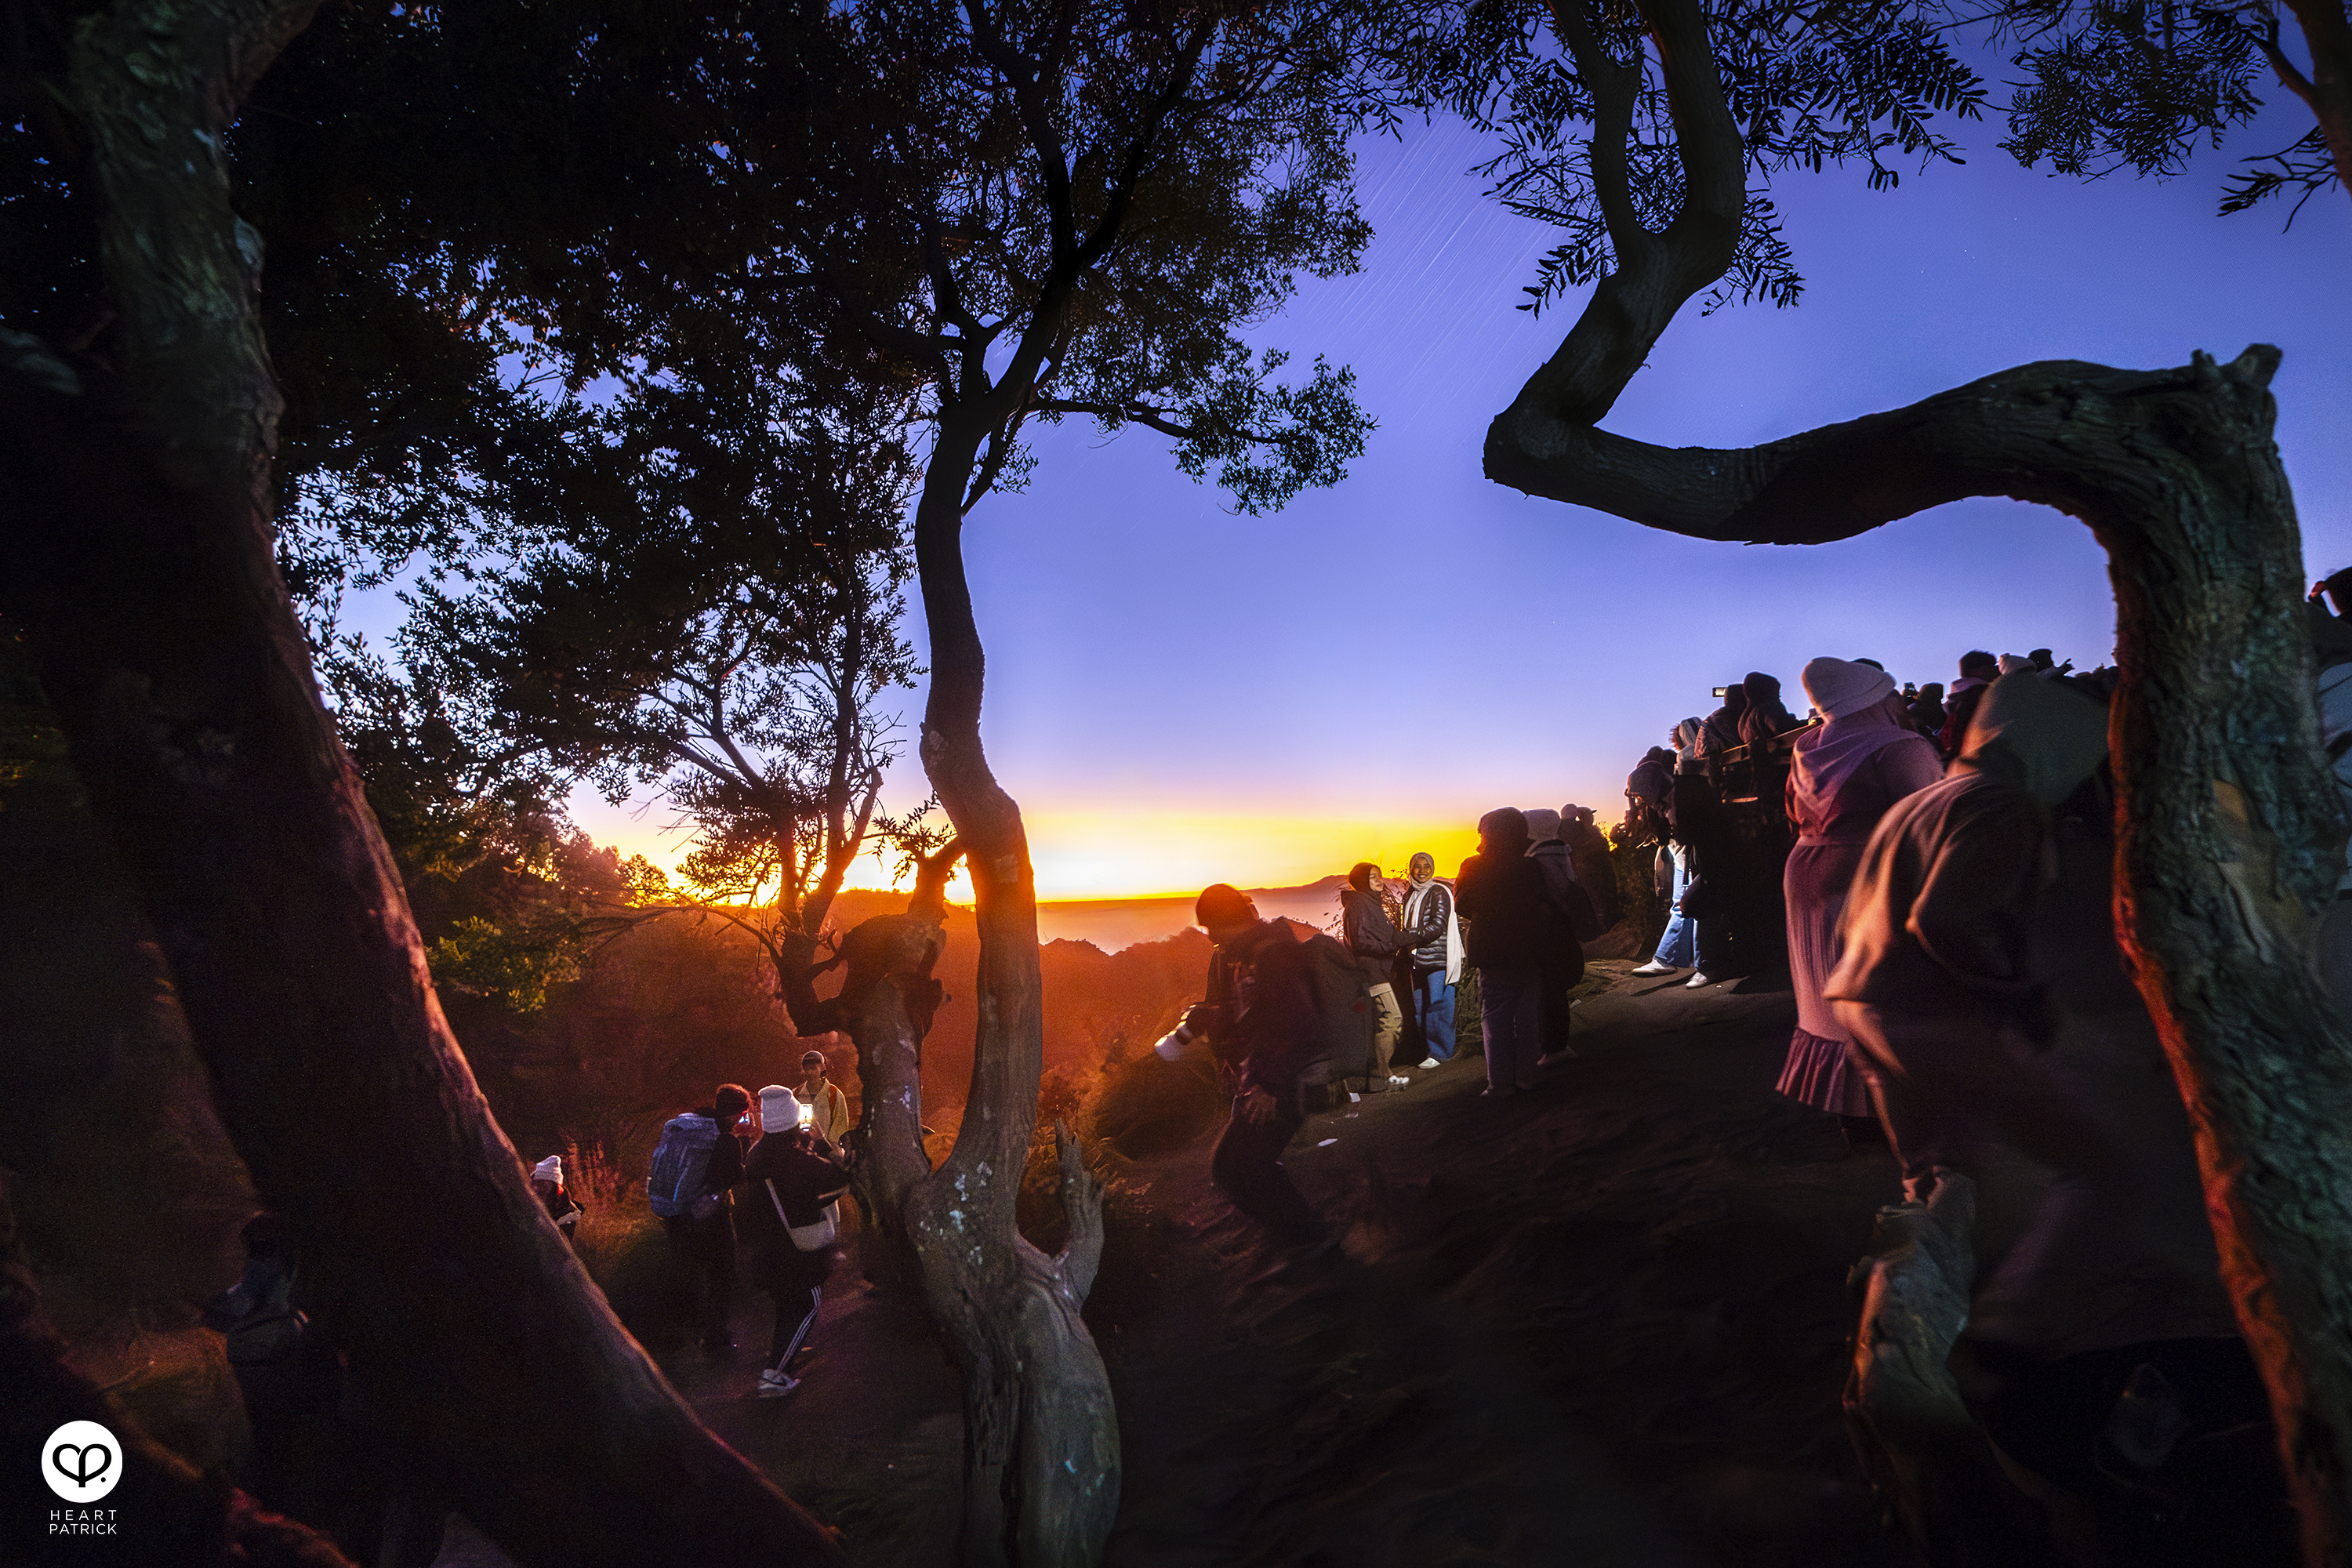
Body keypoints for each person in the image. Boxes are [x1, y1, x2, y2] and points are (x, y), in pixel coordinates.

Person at [1773, 658, 1945, 1141]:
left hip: (1806, 869)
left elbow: (1791, 807)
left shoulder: (1807, 745)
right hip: (1867, 874)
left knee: (1826, 989)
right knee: (1877, 988)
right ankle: (1892, 1107)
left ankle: (1848, 1107)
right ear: (1876, 698)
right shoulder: (1899, 746)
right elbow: (1930, 816)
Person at [1161, 885, 1327, 1241]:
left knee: (1239, 1168)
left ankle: (1312, 1240)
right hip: (1263, 1079)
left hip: (1284, 1083)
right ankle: (1300, 1237)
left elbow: (1304, 1027)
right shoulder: (1243, 958)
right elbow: (1254, 1017)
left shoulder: (1273, 957)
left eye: (1212, 927)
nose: (1209, 937)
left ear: (1229, 921)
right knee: (1235, 1167)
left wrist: (1271, 1087)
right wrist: (1208, 1023)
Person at [742, 1085, 851, 1398]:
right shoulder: (797, 1160)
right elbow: (840, 1179)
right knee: (806, 1305)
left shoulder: (757, 1154)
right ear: (792, 1120)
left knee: (787, 1306)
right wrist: (821, 1143)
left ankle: (787, 1354)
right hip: (797, 1252)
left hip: (769, 1246)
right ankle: (774, 1376)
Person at [1454, 808, 1553, 1099]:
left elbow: (1462, 904)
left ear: (1490, 835)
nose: (1479, 841)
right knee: (1527, 1014)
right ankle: (1526, 1076)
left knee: (1496, 1016)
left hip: (1493, 949)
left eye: (1481, 834)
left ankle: (1499, 1084)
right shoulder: (1531, 866)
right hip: (1530, 948)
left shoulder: (1473, 866)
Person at [657, 1083, 750, 1355]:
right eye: (743, 1114)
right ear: (736, 1114)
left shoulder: (687, 1128)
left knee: (686, 1274)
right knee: (721, 1275)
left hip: (677, 1217)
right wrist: (744, 1142)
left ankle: (675, 1340)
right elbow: (735, 1176)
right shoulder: (726, 1140)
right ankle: (715, 1339)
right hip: (711, 1219)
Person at [1520, 809, 1588, 1068]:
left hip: (1548, 931)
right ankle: (1557, 1044)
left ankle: (1553, 1048)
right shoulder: (1562, 851)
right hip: (1563, 929)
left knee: (1548, 990)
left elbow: (1549, 893)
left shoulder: (1538, 858)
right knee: (1554, 989)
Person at [1340, 862, 1413, 1091]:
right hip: (1372, 971)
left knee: (1385, 1019)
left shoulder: (1367, 902)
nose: (1380, 880)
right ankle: (1384, 1073)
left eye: (1379, 876)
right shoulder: (1361, 903)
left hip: (1375, 970)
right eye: (1373, 877)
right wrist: (1389, 947)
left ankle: (1381, 1071)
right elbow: (1360, 942)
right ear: (1363, 881)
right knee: (1392, 1018)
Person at [1399, 852, 1461, 1065]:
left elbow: (1438, 925)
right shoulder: (1410, 894)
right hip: (1416, 958)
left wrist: (1408, 936)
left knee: (1438, 1005)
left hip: (1437, 957)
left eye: (1427, 866)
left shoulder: (1438, 891)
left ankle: (1440, 1053)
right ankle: (1427, 1051)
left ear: (1433, 869)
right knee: (1420, 1008)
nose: (1422, 870)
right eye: (1418, 866)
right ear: (1411, 869)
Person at [1938, 650, 1999, 757]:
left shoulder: (1955, 695)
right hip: (1981, 752)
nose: (1995, 670)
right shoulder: (1984, 694)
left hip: (1959, 753)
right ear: (1974, 671)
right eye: (1990, 667)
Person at [793, 1047, 854, 1144]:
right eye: (806, 1069)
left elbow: (841, 1127)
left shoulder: (834, 1094)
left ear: (823, 1068)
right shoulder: (796, 1094)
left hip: (829, 1149)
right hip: (803, 1148)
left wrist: (829, 1146)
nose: (810, 1072)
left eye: (813, 1068)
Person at [530, 1155, 585, 1245]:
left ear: (557, 1188)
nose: (537, 1189)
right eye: (535, 1184)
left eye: (542, 1185)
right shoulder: (532, 1208)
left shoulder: (572, 1217)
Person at [1738, 671, 1798, 747]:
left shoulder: (1746, 718)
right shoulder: (1769, 707)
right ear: (1767, 690)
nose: (1779, 697)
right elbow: (1784, 728)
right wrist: (1810, 721)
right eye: (1777, 693)